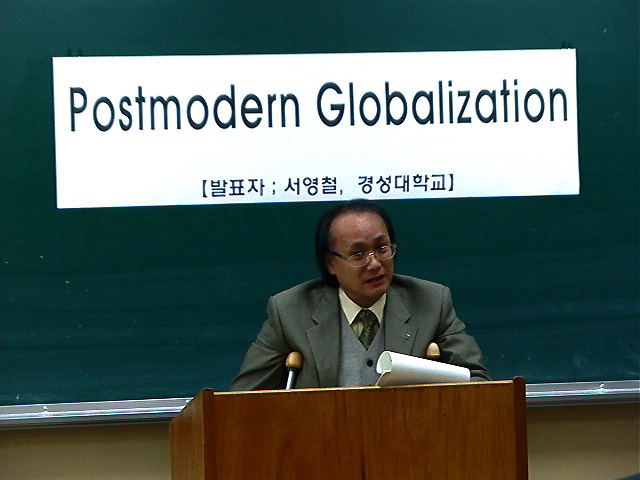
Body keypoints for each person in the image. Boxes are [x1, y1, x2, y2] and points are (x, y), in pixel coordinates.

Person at [230, 199, 491, 390]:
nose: (375, 263)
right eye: (358, 254)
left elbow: (480, 385)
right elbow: (243, 398)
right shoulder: (290, 311)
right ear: (330, 264)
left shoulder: (431, 302)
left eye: (382, 248)